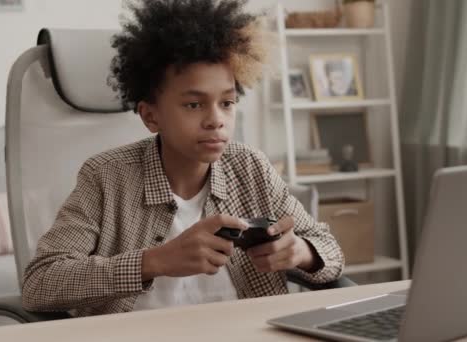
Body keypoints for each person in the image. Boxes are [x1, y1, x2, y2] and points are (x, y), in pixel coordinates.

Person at [21, 0, 344, 317]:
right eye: (194, 104)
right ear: (151, 116)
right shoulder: (106, 177)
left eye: (227, 103)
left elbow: (329, 248)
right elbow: (40, 283)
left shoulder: (250, 168)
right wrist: (154, 261)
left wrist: (302, 252)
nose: (216, 120)